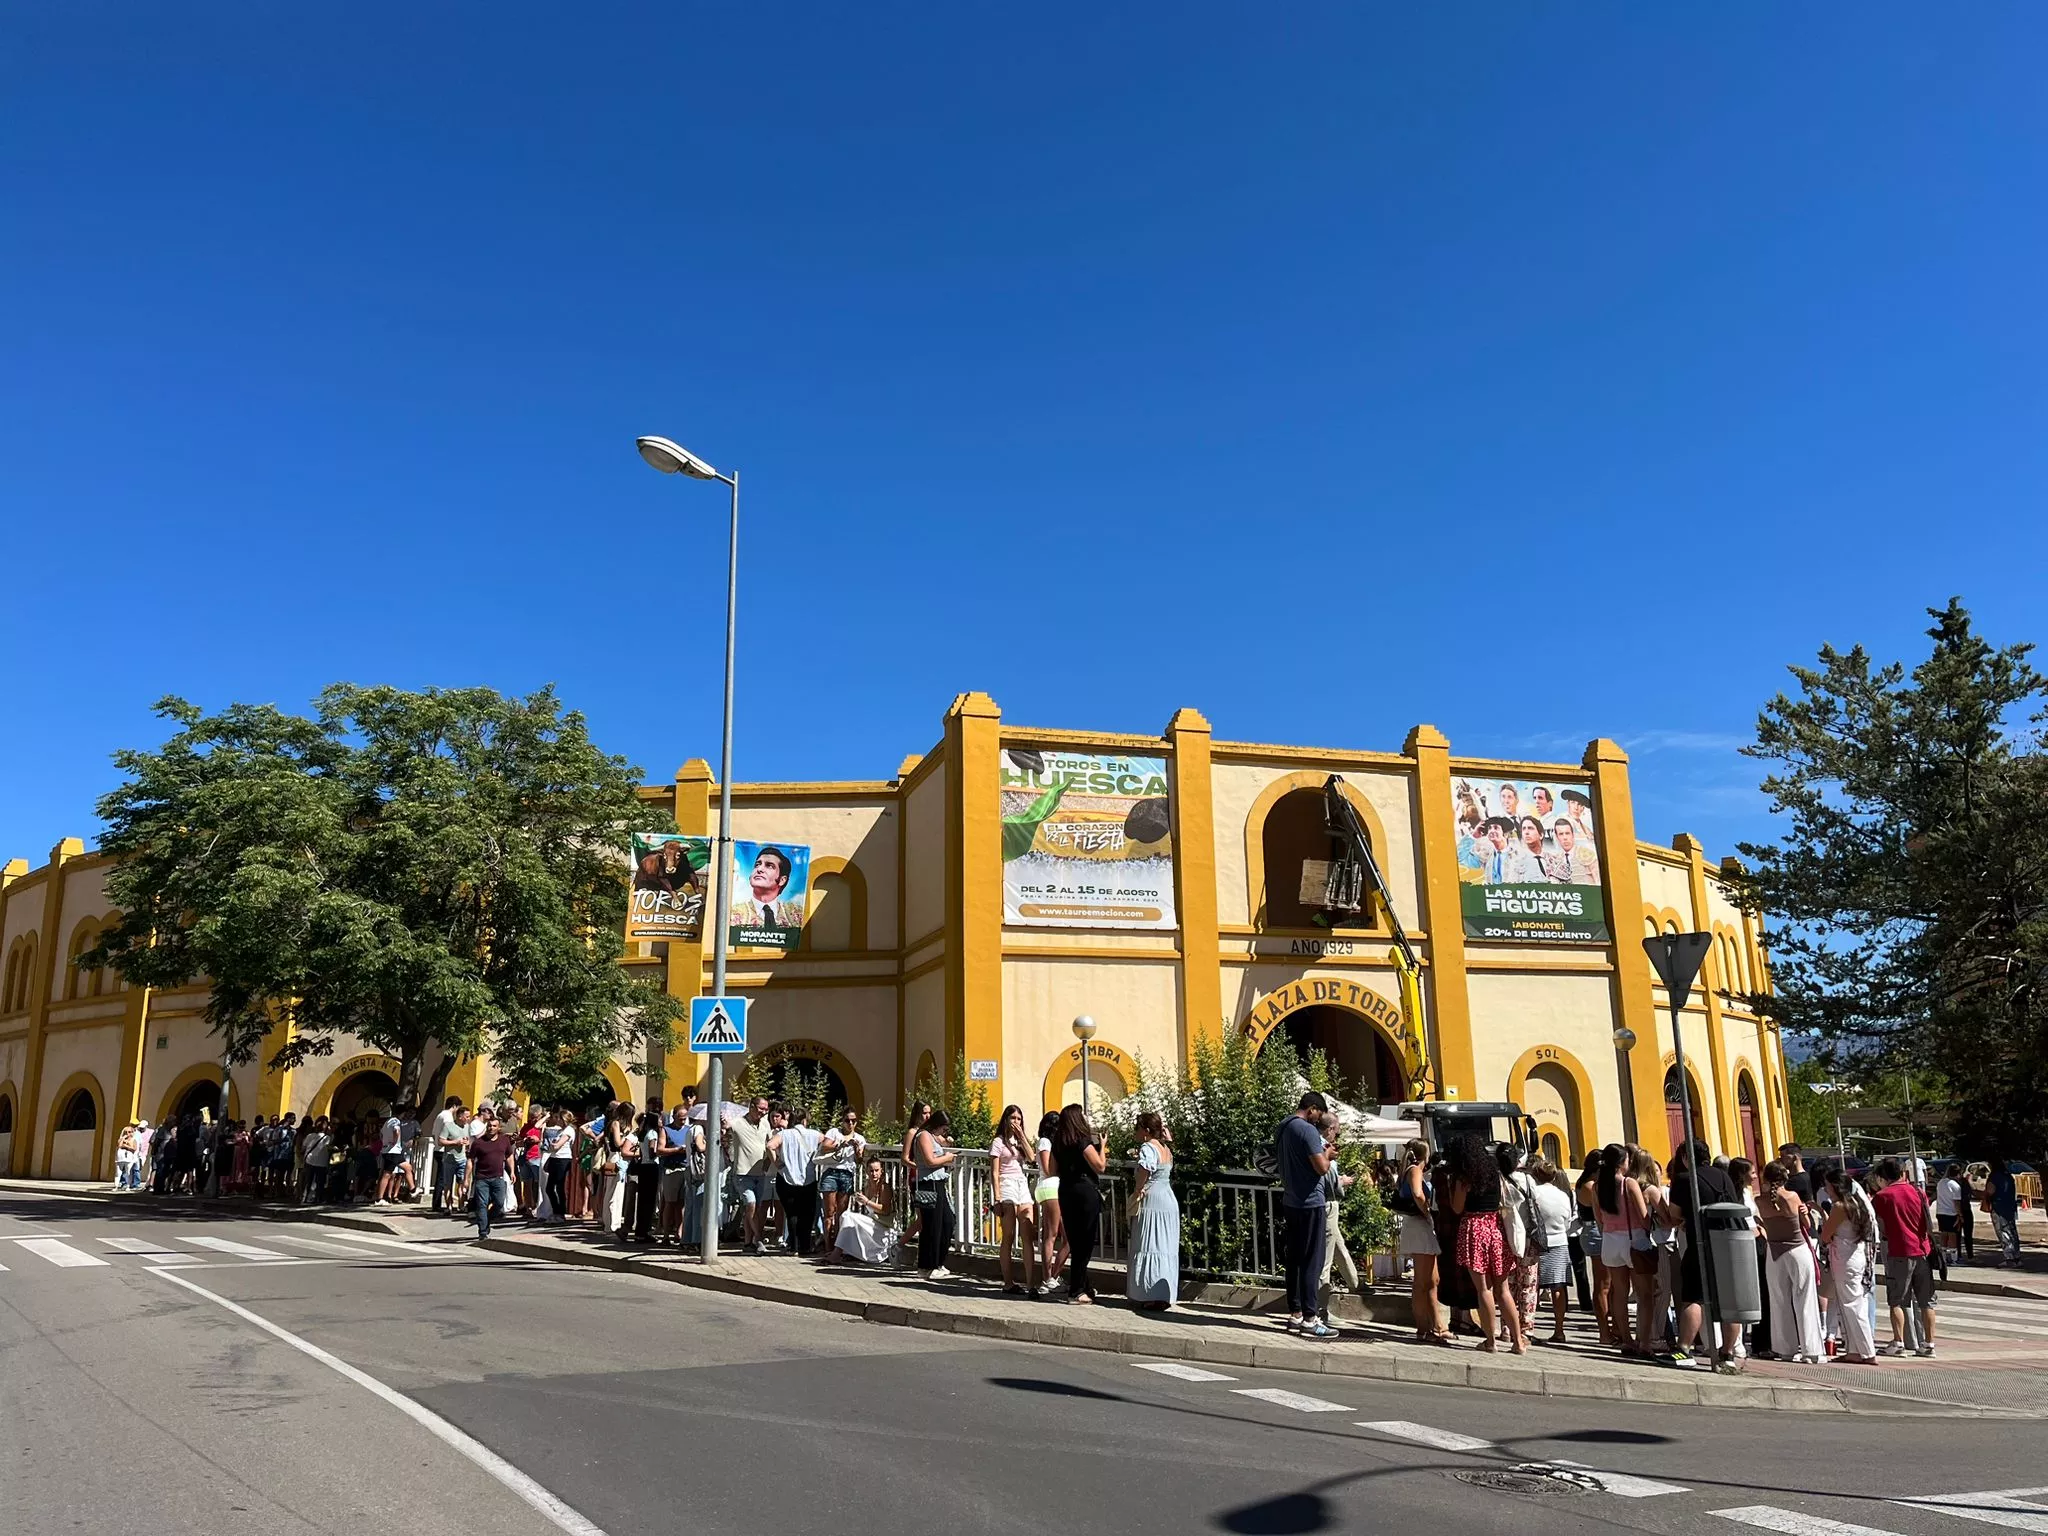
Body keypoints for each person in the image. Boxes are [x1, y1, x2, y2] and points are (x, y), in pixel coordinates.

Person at [1666, 1139, 1741, 1368]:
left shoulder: (1684, 1180)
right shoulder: (1724, 1176)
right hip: (1729, 1243)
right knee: (1730, 1301)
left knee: (1693, 1297)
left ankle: (1683, 1351)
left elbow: (1674, 1214)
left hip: (1701, 1243)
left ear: (1686, 1158)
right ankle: (1728, 1354)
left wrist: (1684, 1219)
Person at [1448, 1133, 1524, 1354]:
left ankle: (1491, 1341)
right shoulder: (1494, 1171)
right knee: (1504, 1289)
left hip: (1474, 1227)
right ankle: (1518, 1341)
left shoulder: (1464, 1177)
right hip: (1496, 1228)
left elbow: (1457, 1208)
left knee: (1483, 1289)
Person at [1273, 1091, 1336, 1339]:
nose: (1317, 1121)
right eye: (1318, 1115)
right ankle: (1311, 1318)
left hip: (1290, 1200)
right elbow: (1321, 1168)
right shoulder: (1308, 1131)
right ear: (1311, 1109)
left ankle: (1295, 1313)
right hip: (1310, 1203)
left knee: (1295, 1259)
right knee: (1312, 1260)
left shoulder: (1283, 1126)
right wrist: (1328, 1156)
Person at [1871, 1156, 1938, 1357]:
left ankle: (1898, 1342)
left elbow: (1881, 1226)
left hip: (1898, 1251)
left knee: (1897, 1300)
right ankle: (1929, 1344)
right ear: (1903, 1173)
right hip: (1922, 1250)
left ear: (1883, 1177)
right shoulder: (1918, 1192)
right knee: (1926, 1301)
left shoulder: (1882, 1197)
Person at [1758, 1160, 1824, 1363]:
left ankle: (1785, 1349)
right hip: (1797, 1250)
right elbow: (1806, 1223)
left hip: (1774, 1252)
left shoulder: (1759, 1200)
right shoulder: (1792, 1197)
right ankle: (1810, 1350)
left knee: (1779, 1300)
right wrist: (1807, 1214)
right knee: (1805, 1299)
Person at [1595, 1142, 1651, 1354]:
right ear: (1622, 1163)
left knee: (1619, 1292)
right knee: (1644, 1294)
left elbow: (1599, 1217)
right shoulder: (1629, 1183)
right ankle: (1645, 1342)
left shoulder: (1599, 1185)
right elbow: (1644, 1217)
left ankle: (1626, 1338)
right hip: (1633, 1239)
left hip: (1610, 1240)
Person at [1394, 1139, 1450, 1345]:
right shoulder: (1415, 1170)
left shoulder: (1405, 1170)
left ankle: (1436, 1325)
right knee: (1422, 1282)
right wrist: (1427, 1212)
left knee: (1431, 1280)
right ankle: (1424, 1327)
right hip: (1419, 1225)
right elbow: (1418, 1193)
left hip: (1415, 1226)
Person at [1821, 1167, 1879, 1365]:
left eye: (1828, 1185)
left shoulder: (1839, 1207)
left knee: (1852, 1305)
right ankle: (1854, 1350)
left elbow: (1825, 1234)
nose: (1826, 1189)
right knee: (1852, 1303)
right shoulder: (1857, 1203)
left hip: (1845, 1258)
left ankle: (1867, 1350)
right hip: (1855, 1255)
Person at [1052, 1103, 1106, 1304]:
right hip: (1084, 1191)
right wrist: (1103, 1147)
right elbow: (1100, 1166)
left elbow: (1051, 1170)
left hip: (1066, 1190)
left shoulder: (1059, 1143)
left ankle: (1084, 1286)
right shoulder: (1082, 1141)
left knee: (1075, 1241)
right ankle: (1076, 1291)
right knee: (1085, 1242)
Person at [1127, 1110, 1180, 1310]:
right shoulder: (1165, 1148)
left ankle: (1149, 1293)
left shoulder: (1148, 1147)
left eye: (1137, 1128)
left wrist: (1139, 1189)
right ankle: (1162, 1294)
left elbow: (1145, 1170)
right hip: (1167, 1197)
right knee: (1164, 1245)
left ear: (1146, 1131)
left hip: (1153, 1199)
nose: (1135, 1132)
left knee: (1149, 1242)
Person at [989, 1105, 1039, 1295]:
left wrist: (1022, 1137)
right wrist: (997, 1197)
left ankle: (1030, 1284)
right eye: (1013, 1118)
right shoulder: (998, 1142)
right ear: (1005, 1120)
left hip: (1021, 1184)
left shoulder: (1019, 1141)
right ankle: (1008, 1282)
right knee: (1008, 1236)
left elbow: (1032, 1157)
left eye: (1019, 1119)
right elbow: (994, 1171)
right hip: (1006, 1184)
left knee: (1027, 1233)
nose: (1016, 1122)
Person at [1528, 1158, 1577, 1345]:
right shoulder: (1563, 1195)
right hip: (1559, 1241)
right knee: (1558, 1287)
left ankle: (1528, 1326)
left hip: (1536, 1241)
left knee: (1530, 1286)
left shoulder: (1534, 1194)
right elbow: (1567, 1221)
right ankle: (1559, 1329)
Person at [910, 1107, 958, 1280]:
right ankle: (927, 1265)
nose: (944, 1132)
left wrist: (947, 1143)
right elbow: (930, 1161)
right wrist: (947, 1158)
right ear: (937, 1125)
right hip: (927, 1183)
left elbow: (942, 1144)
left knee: (947, 1221)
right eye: (944, 1128)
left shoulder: (933, 1137)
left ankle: (938, 1262)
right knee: (932, 1225)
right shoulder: (923, 1135)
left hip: (937, 1182)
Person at [726, 1096, 776, 1253]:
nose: (764, 1112)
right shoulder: (737, 1123)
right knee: (751, 1204)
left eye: (766, 1109)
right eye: (761, 1108)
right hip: (742, 1174)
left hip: (760, 1174)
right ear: (752, 1107)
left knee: (753, 1209)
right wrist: (722, 1125)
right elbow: (725, 1132)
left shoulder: (766, 1124)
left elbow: (769, 1146)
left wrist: (768, 1163)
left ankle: (748, 1244)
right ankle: (759, 1240)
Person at [770, 1106, 822, 1255]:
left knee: (792, 1213)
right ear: (805, 1120)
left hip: (786, 1178)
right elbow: (827, 1142)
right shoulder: (814, 1134)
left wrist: (777, 1162)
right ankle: (805, 1246)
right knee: (807, 1214)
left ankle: (793, 1246)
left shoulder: (784, 1135)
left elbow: (770, 1145)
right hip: (808, 1179)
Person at [827, 1157, 897, 1265]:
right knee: (845, 1216)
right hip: (873, 1224)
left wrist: (867, 1202)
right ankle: (841, 1251)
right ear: (867, 1172)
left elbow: (885, 1210)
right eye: (871, 1171)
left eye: (877, 1170)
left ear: (881, 1171)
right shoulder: (866, 1187)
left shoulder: (884, 1187)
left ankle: (838, 1252)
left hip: (884, 1228)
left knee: (848, 1216)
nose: (874, 1173)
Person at [818, 1106, 866, 1250]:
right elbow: (824, 1147)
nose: (850, 1124)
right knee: (829, 1212)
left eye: (854, 1121)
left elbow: (859, 1160)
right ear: (842, 1121)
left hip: (847, 1174)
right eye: (847, 1120)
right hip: (831, 1172)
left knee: (842, 1213)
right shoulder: (834, 1132)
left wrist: (857, 1150)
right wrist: (840, 1145)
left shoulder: (859, 1138)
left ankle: (838, 1247)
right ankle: (828, 1246)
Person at [467, 1110, 516, 1241]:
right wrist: (467, 1179)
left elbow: (509, 1156)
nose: (491, 1128)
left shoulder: (504, 1141)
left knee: (499, 1203)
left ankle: (487, 1220)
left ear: (498, 1127)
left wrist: (512, 1171)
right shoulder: (478, 1143)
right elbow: (470, 1160)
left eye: (494, 1126)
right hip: (481, 1178)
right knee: (482, 1204)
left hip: (498, 1177)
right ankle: (483, 1232)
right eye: (489, 1126)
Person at [1034, 1109, 1067, 1291]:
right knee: (1051, 1235)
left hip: (1056, 1188)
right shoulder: (1045, 1142)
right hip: (1050, 1186)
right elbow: (1047, 1169)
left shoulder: (1057, 1143)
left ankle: (1053, 1276)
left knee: (1066, 1237)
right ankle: (1047, 1278)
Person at [431, 1096, 469, 1217]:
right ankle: (448, 1207)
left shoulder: (467, 1127)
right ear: (459, 1116)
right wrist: (455, 1142)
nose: (468, 1119)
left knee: (462, 1182)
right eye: (466, 1117)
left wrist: (467, 1144)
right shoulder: (448, 1123)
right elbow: (440, 1141)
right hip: (448, 1158)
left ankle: (461, 1205)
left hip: (462, 1158)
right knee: (447, 1183)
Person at [1985, 1159, 2022, 1268]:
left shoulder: (1994, 1177)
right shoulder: (2008, 1176)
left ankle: (2009, 1257)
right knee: (2012, 1231)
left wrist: (1985, 1196)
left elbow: (1990, 1191)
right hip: (2010, 1207)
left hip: (1998, 1207)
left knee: (2003, 1231)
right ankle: (2017, 1256)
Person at [515, 1107, 546, 1216]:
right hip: (525, 1157)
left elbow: (546, 1140)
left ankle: (538, 1207)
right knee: (527, 1183)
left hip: (537, 1156)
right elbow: (519, 1141)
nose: (532, 1120)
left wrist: (538, 1140)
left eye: (535, 1117)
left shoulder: (543, 1126)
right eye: (530, 1117)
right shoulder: (526, 1127)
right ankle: (528, 1208)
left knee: (538, 1184)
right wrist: (523, 1140)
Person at [1933, 1161, 1965, 1265]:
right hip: (1951, 1213)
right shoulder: (1955, 1186)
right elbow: (1956, 1203)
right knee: (1952, 1236)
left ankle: (1943, 1258)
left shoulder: (1941, 1183)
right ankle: (1954, 1259)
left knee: (1943, 1234)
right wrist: (1960, 1215)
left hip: (1940, 1212)